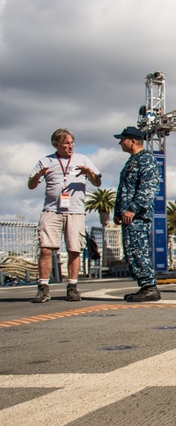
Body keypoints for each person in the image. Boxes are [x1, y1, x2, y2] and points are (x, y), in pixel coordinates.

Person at [27, 128, 103, 303]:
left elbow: (98, 182)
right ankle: (43, 288)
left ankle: (73, 287)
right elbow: (31, 185)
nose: (71, 146)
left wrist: (89, 173)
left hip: (75, 211)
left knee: (74, 249)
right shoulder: (46, 161)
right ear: (56, 144)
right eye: (67, 143)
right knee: (46, 249)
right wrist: (39, 174)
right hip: (52, 210)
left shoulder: (83, 159)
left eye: (72, 142)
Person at [113, 126, 162, 302]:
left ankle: (149, 287)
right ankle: (145, 286)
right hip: (128, 215)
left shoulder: (146, 160)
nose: (120, 143)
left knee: (138, 250)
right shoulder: (132, 161)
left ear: (132, 141)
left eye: (122, 139)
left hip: (137, 216)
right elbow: (123, 189)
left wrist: (133, 209)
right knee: (132, 251)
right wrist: (118, 211)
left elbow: (148, 188)